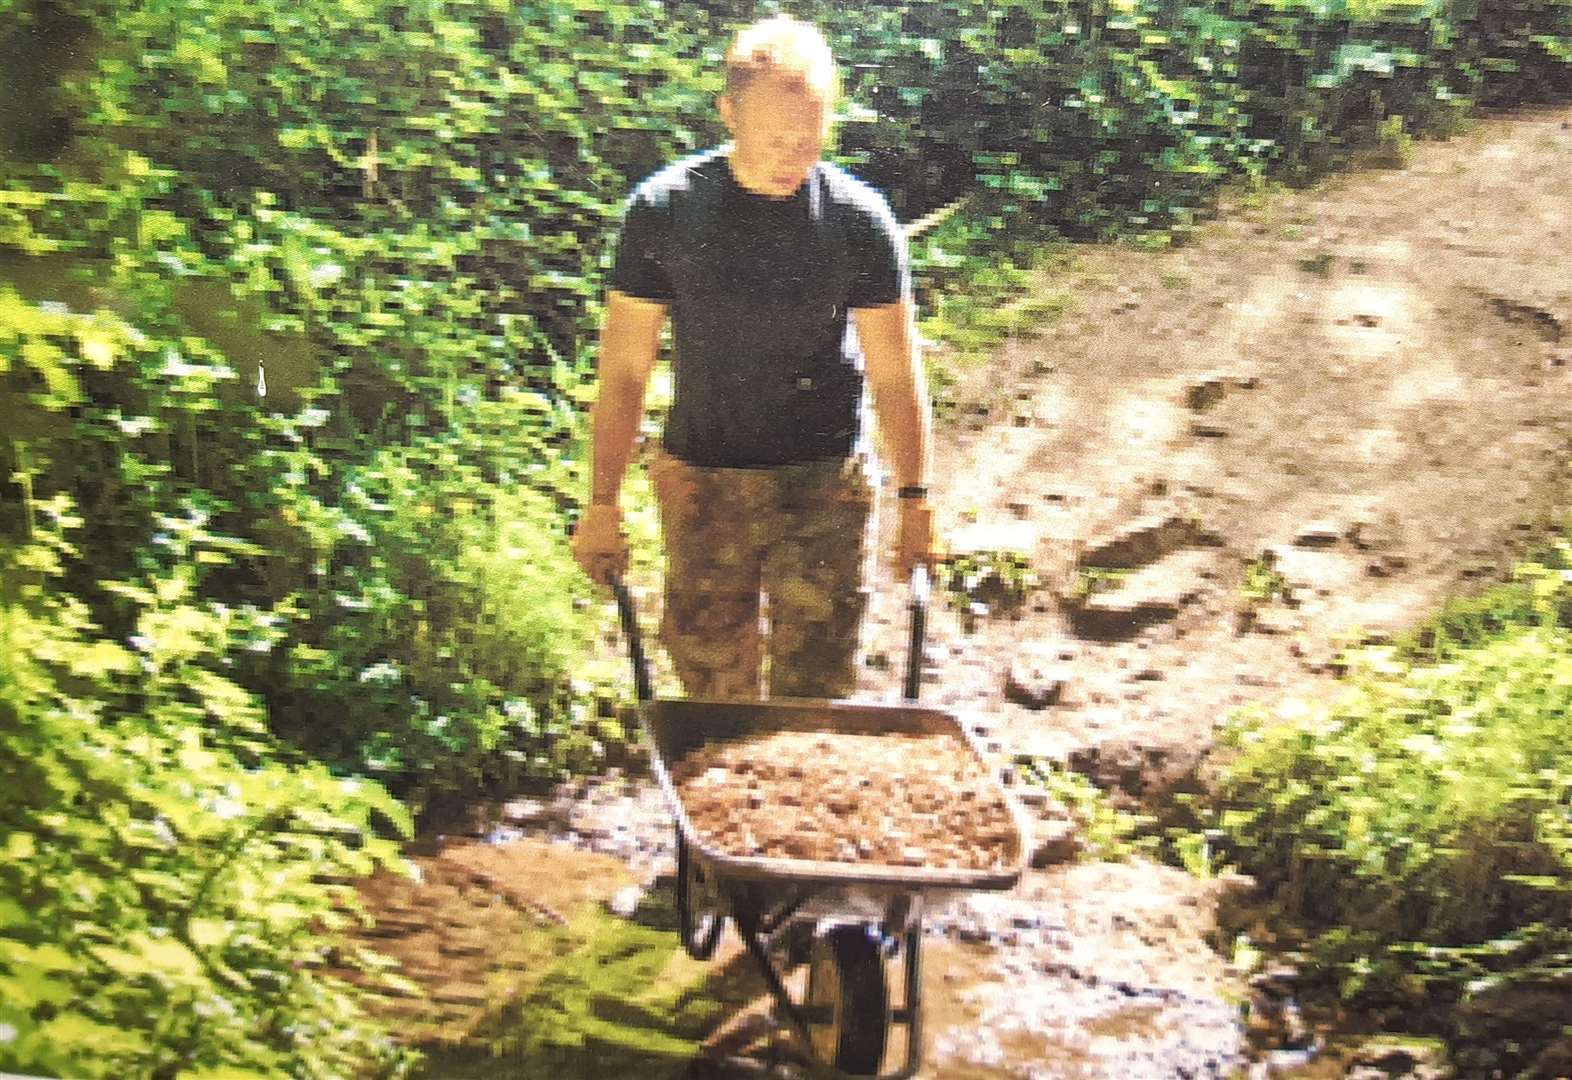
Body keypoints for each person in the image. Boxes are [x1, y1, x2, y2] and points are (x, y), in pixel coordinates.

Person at [571, 14, 935, 700]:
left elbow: (895, 372)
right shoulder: (666, 211)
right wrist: (600, 504)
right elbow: (623, 373)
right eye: (774, 139)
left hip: (824, 480)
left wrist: (917, 500)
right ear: (729, 114)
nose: (792, 157)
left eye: (809, 137)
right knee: (711, 688)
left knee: (819, 690)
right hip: (704, 481)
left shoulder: (858, 220)